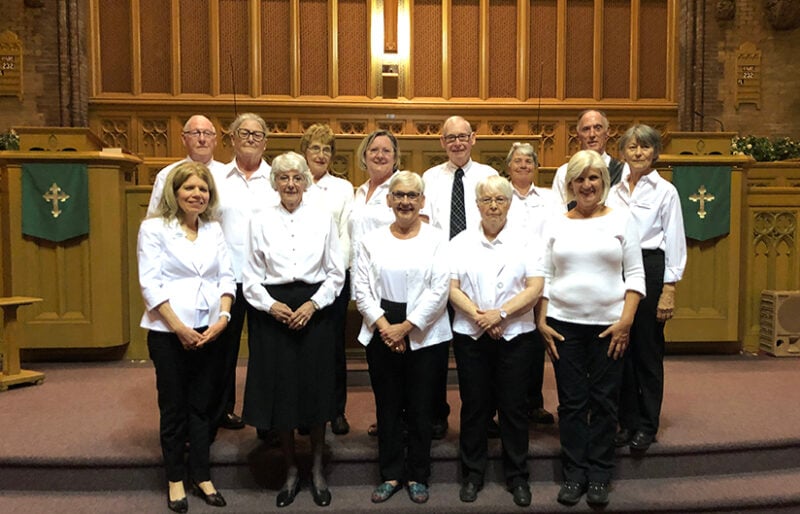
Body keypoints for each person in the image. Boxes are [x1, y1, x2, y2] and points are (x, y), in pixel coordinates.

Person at [536, 150, 646, 507]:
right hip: (563, 325)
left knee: (603, 402)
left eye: (593, 178)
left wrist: (626, 322)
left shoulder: (623, 219)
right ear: (570, 185)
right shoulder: (555, 223)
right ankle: (574, 473)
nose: (587, 185)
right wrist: (541, 319)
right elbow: (547, 275)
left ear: (604, 181)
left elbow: (636, 275)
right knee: (570, 403)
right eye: (579, 179)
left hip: (609, 327)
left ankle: (599, 474)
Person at [241, 151, 345, 508]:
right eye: (283, 177)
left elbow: (336, 272)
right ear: (275, 183)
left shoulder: (323, 217)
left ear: (306, 182)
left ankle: (315, 469)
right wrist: (271, 306)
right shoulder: (258, 220)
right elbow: (250, 276)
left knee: (316, 392)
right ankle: (289, 469)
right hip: (274, 311)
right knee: (281, 393)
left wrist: (313, 304)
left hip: (314, 308)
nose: (290, 184)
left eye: (297, 178)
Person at [138, 162, 235, 512]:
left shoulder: (213, 230)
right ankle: (176, 477)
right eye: (189, 188)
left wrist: (223, 317)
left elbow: (227, 276)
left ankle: (202, 474)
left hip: (210, 331)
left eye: (203, 189)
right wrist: (178, 327)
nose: (197, 195)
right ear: (175, 193)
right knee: (175, 406)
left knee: (203, 407)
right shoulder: (154, 229)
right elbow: (150, 283)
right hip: (169, 333)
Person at [353, 171, 451, 505]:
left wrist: (406, 327)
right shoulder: (371, 240)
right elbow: (362, 290)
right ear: (389, 200)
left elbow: (439, 290)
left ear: (422, 201)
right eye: (399, 195)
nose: (405, 202)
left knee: (422, 407)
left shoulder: (437, 239)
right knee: (389, 405)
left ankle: (418, 475)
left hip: (424, 331)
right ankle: (391, 473)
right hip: (382, 327)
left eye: (412, 196)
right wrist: (385, 327)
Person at [448, 175, 544, 508]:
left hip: (515, 335)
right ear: (476, 205)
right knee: (474, 406)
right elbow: (452, 288)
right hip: (471, 334)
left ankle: (517, 477)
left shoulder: (527, 240)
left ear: (509, 203)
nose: (493, 206)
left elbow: (534, 288)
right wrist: (480, 315)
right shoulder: (460, 242)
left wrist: (500, 314)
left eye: (499, 200)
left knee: (514, 408)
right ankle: (472, 475)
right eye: (486, 200)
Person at [607, 125, 687, 453]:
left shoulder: (665, 191)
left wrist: (669, 288)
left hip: (651, 268)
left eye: (645, 147)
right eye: (632, 147)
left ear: (655, 152)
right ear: (623, 152)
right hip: (618, 271)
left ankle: (647, 424)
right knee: (620, 349)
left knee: (647, 351)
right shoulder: (613, 190)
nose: (638, 153)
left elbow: (675, 241)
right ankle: (626, 421)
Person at [421, 115, 499, 440]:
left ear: (473, 138)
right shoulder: (429, 177)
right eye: (450, 137)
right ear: (442, 142)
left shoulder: (488, 175)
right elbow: (424, 226)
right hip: (439, 271)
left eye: (462, 136)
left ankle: (485, 414)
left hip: (477, 271)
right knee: (437, 347)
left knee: (480, 348)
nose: (457, 143)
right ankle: (437, 413)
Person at [212, 113, 278, 434]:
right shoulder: (217, 179)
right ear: (232, 139)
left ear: (266, 141)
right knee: (224, 349)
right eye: (244, 133)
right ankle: (222, 410)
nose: (251, 139)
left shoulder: (277, 179)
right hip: (227, 277)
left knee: (265, 350)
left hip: (266, 279)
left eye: (257, 134)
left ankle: (264, 416)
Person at [347, 129, 402, 437]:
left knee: (396, 356)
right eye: (374, 150)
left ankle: (400, 419)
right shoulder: (359, 191)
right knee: (378, 359)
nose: (379, 155)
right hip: (364, 282)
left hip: (392, 283)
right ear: (364, 156)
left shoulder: (401, 187)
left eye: (386, 151)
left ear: (395, 158)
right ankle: (387, 417)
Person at [300, 123, 354, 436]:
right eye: (315, 148)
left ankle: (336, 411)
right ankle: (307, 411)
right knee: (305, 348)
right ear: (304, 151)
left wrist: (338, 274)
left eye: (327, 149)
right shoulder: (292, 182)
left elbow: (346, 235)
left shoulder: (342, 188)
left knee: (333, 348)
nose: (321, 155)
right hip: (301, 280)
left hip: (333, 279)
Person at [503, 142, 558, 426]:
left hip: (542, 274)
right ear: (508, 166)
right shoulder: (500, 195)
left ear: (535, 167)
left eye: (528, 161)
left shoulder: (549, 198)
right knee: (509, 340)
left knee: (536, 340)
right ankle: (507, 404)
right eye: (518, 161)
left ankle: (533, 403)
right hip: (509, 276)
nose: (523, 165)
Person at [146, 115, 227, 217]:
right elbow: (154, 217)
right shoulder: (167, 174)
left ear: (215, 140)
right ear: (184, 139)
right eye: (195, 133)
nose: (202, 139)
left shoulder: (228, 175)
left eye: (207, 133)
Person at [551, 110, 626, 209]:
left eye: (598, 128)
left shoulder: (624, 172)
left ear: (607, 132)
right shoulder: (564, 172)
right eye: (586, 129)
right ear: (578, 135)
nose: (592, 134)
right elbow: (557, 214)